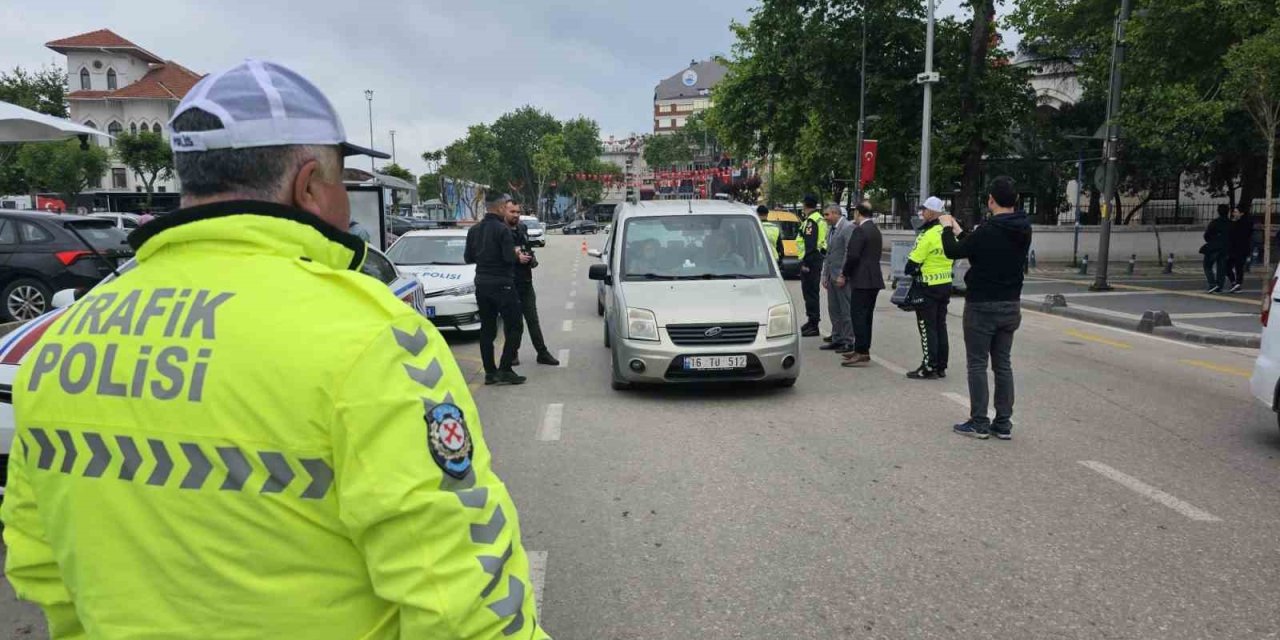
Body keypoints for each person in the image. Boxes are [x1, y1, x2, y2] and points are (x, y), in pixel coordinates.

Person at [0, 59, 549, 639]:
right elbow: (462, 594)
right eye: (343, 182)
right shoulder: (369, 334)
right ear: (309, 184)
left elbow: (39, 560)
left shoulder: (61, 342)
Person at [939, 176, 1033, 439]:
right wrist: (962, 232)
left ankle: (979, 421)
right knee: (1003, 364)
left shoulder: (988, 229)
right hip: (1010, 303)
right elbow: (980, 247)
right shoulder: (1023, 228)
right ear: (1015, 200)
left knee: (977, 364)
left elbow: (953, 252)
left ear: (991, 200)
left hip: (982, 305)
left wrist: (947, 228)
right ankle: (1003, 423)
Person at [466, 192, 529, 385]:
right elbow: (509, 259)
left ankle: (490, 372)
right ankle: (505, 368)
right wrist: (515, 253)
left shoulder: (474, 230)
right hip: (502, 283)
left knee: (487, 329)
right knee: (515, 325)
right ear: (501, 208)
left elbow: (468, 258)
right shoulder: (503, 230)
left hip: (482, 283)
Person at [904, 196, 954, 380]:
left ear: (932, 212)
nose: (921, 213)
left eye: (924, 210)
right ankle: (941, 366)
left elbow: (911, 264)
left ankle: (929, 366)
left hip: (927, 287)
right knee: (941, 326)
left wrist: (913, 269)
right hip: (945, 285)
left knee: (927, 328)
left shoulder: (927, 235)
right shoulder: (947, 233)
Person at [508, 203, 559, 366]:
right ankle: (512, 353)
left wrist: (531, 258)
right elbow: (496, 255)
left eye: (518, 212)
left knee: (533, 319)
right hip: (509, 283)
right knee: (514, 322)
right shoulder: (500, 231)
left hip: (525, 281)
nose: (516, 215)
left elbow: (527, 248)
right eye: (512, 212)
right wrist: (516, 258)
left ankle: (542, 352)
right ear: (504, 211)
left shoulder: (522, 228)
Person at [840, 202, 885, 367]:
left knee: (858, 315)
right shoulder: (875, 230)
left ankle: (861, 351)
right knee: (867, 317)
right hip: (874, 278)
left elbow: (853, 256)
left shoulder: (859, 230)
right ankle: (862, 348)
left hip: (861, 279)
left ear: (858, 213)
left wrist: (844, 273)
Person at [820, 204, 855, 353]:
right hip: (831, 276)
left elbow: (849, 252)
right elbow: (829, 255)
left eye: (827, 215)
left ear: (835, 213)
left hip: (842, 278)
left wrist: (843, 274)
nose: (825, 218)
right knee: (834, 309)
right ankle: (837, 338)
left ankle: (848, 340)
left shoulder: (847, 227)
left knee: (845, 310)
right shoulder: (831, 229)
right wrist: (824, 275)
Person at [797, 194, 827, 336]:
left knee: (810, 293)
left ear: (805, 205)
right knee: (811, 293)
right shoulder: (819, 219)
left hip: (811, 261)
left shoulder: (811, 221)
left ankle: (813, 325)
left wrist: (805, 263)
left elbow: (810, 244)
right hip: (816, 259)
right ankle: (811, 321)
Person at [1202, 205, 1231, 293]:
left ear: (1218, 211)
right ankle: (1219, 286)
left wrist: (1211, 241)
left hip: (1214, 247)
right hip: (1225, 248)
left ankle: (1212, 284)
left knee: (1207, 266)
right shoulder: (1230, 223)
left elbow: (1207, 235)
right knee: (1221, 268)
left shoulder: (1214, 222)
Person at [1227, 206, 1252, 293]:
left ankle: (1237, 283)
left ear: (1241, 213)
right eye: (1234, 212)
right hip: (1236, 249)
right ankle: (1235, 283)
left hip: (1240, 249)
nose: (1234, 214)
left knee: (1238, 267)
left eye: (1236, 212)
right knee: (1230, 266)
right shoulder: (1238, 223)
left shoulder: (1241, 224)